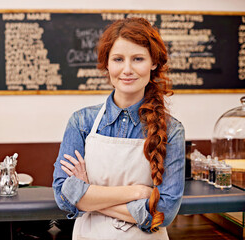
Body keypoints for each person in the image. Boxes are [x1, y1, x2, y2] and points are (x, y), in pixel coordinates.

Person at [52, 17, 185, 240]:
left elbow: (164, 212)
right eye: (118, 59)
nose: (127, 69)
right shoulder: (81, 122)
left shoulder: (172, 130)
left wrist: (88, 199)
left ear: (153, 63)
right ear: (107, 64)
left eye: (138, 59)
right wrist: (137, 193)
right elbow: (63, 195)